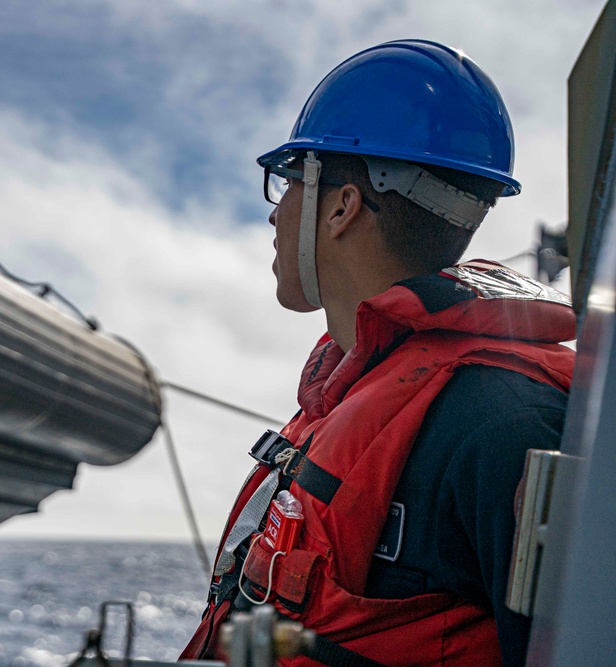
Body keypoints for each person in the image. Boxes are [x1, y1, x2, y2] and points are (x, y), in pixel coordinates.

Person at [180, 40, 575, 666]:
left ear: (341, 206)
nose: (276, 214)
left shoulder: (500, 424)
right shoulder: (360, 396)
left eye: (287, 183)